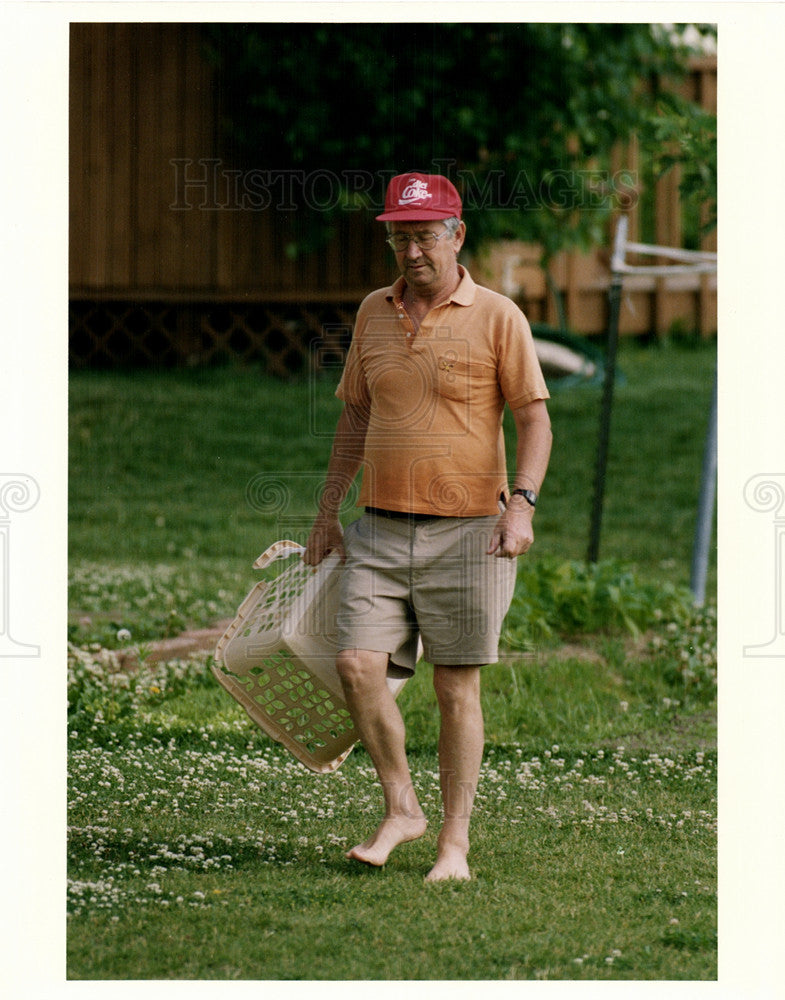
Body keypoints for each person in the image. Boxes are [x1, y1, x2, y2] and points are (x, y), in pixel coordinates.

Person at [304, 171, 552, 881]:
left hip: (471, 531)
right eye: (399, 236)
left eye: (423, 236)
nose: (410, 251)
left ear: (455, 235)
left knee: (453, 688)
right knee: (356, 666)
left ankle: (454, 845)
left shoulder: (499, 315)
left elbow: (534, 417)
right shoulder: (372, 312)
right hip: (378, 530)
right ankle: (401, 808)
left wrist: (521, 506)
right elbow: (354, 414)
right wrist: (326, 512)